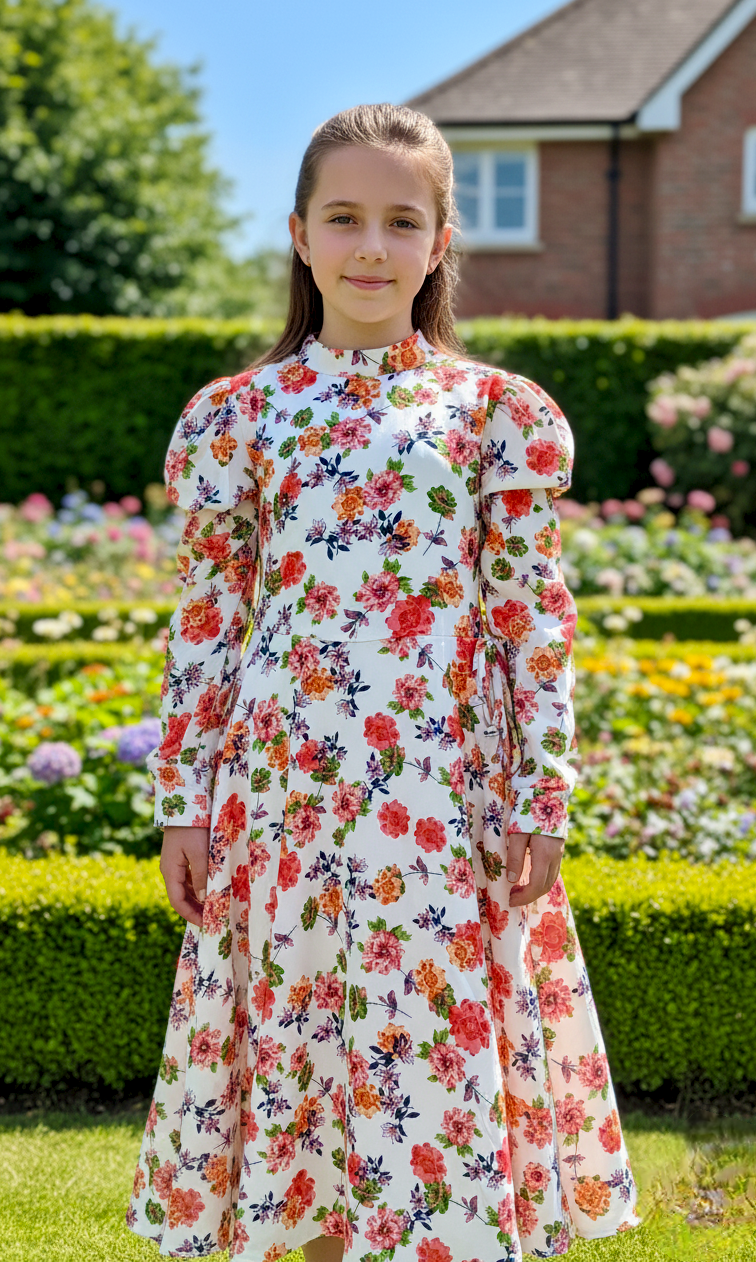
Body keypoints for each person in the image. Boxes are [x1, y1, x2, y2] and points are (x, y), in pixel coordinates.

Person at [126, 103, 639, 1261]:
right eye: (344, 219)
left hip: (441, 807)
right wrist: (183, 803)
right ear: (300, 236)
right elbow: (206, 627)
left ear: (441, 240)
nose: (371, 248)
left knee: (429, 1063)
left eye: (401, 221)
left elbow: (532, 622)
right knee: (297, 1068)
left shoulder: (493, 415)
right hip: (282, 805)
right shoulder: (240, 419)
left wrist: (542, 797)